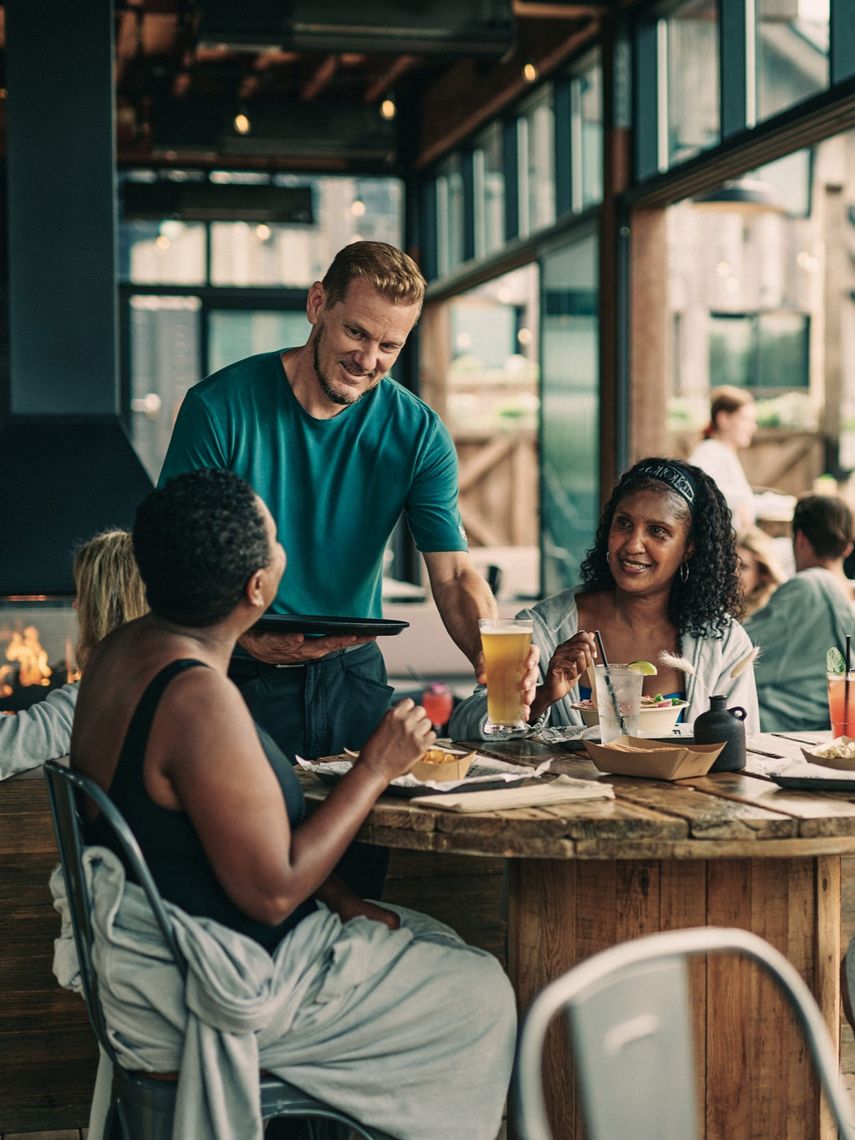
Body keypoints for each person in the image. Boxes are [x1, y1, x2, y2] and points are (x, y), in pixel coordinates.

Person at [62, 469, 515, 1140]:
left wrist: (343, 900)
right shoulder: (196, 699)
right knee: (479, 991)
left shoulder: (121, 651)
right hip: (211, 986)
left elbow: (207, 838)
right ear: (257, 589)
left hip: (147, 956)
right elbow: (272, 894)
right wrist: (374, 767)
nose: (282, 548)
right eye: (274, 539)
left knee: (430, 937)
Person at [158, 240, 495, 766]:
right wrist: (245, 634)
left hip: (353, 674)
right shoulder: (219, 406)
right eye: (356, 332)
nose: (367, 360)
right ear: (318, 305)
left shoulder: (419, 433)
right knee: (248, 844)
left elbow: (453, 576)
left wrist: (489, 651)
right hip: (233, 666)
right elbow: (174, 559)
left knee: (363, 841)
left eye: (390, 346)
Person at [450, 457, 760, 740]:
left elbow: (740, 750)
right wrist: (542, 696)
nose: (633, 544)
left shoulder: (722, 642)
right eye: (624, 523)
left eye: (657, 531)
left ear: (689, 548)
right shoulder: (545, 627)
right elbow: (464, 726)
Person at [0, 530, 147, 779]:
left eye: (84, 595)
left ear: (107, 606)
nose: (75, 605)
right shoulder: (155, 677)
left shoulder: (103, 695)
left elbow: (6, 749)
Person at [745, 494, 855, 731]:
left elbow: (737, 654)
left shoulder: (807, 588)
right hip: (833, 728)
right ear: (847, 548)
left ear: (801, 539)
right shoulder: (845, 596)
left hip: (786, 729)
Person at [688, 386, 757, 531]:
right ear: (723, 419)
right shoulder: (709, 451)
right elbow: (698, 491)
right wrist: (742, 500)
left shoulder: (725, 453)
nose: (753, 427)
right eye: (746, 419)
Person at [736, 526, 788, 620]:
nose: (733, 573)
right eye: (728, 565)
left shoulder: (770, 614)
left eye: (743, 567)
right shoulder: (712, 609)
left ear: (763, 573)